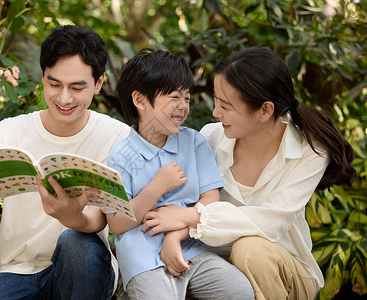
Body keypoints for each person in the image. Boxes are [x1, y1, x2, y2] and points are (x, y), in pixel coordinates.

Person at [142, 46, 357, 300]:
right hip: (219, 268)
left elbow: (270, 222)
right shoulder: (210, 138)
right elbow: (184, 201)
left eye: (225, 105)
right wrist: (174, 237)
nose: (215, 112)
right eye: (216, 100)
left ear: (265, 111)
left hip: (286, 270)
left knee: (249, 248)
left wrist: (190, 217)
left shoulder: (310, 151)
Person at [0, 25, 130, 300]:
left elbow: (106, 217)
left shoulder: (117, 136)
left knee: (74, 241)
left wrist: (73, 217)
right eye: (54, 84)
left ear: (99, 83)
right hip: (17, 272)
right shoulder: (9, 131)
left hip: (82, 268)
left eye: (77, 87)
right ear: (42, 77)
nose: (64, 98)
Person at [106, 48, 254, 300]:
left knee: (240, 291)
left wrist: (174, 236)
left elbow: (211, 201)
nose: (183, 106)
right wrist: (156, 188)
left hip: (193, 249)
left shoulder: (194, 143)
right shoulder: (121, 156)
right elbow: (117, 223)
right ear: (140, 100)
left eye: (186, 97)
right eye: (174, 97)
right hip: (143, 259)